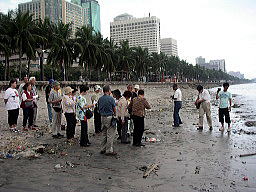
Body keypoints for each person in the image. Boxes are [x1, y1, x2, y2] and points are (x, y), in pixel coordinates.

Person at [98, 85, 117, 156]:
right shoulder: (111, 99)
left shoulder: (100, 99)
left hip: (102, 117)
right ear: (108, 91)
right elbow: (114, 108)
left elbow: (98, 108)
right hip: (109, 117)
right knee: (110, 134)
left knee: (104, 134)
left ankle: (103, 148)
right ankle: (109, 150)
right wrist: (115, 115)